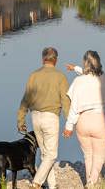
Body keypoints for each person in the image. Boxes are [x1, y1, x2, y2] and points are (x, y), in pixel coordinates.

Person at [17, 47, 70, 189]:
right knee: (51, 155)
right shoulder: (60, 76)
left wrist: (21, 120)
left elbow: (26, 99)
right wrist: (69, 122)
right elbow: (65, 100)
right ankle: (37, 182)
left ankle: (52, 185)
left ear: (43, 59)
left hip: (35, 117)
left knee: (45, 154)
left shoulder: (33, 75)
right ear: (56, 60)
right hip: (50, 117)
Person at [63, 50, 105, 188]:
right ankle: (92, 182)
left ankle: (89, 181)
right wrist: (77, 69)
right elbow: (92, 78)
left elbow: (74, 106)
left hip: (82, 122)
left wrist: (68, 126)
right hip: (99, 120)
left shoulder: (78, 81)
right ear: (99, 62)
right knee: (99, 155)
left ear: (85, 63)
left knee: (88, 155)